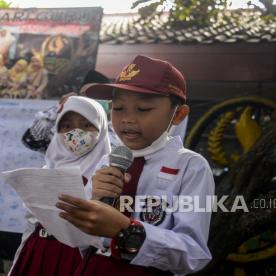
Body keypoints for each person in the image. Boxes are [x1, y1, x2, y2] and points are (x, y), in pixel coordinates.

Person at [56, 55, 215, 275]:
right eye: (119, 108)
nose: (127, 119)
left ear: (178, 114)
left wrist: (127, 231)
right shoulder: (107, 162)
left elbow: (193, 253)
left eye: (143, 109)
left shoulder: (191, 167)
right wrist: (92, 203)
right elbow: (80, 239)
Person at [9, 96, 111, 276]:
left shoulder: (108, 175)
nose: (76, 133)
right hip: (38, 252)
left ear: (101, 128)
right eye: (67, 126)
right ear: (57, 130)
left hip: (78, 259)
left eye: (87, 125)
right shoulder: (47, 170)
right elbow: (31, 225)